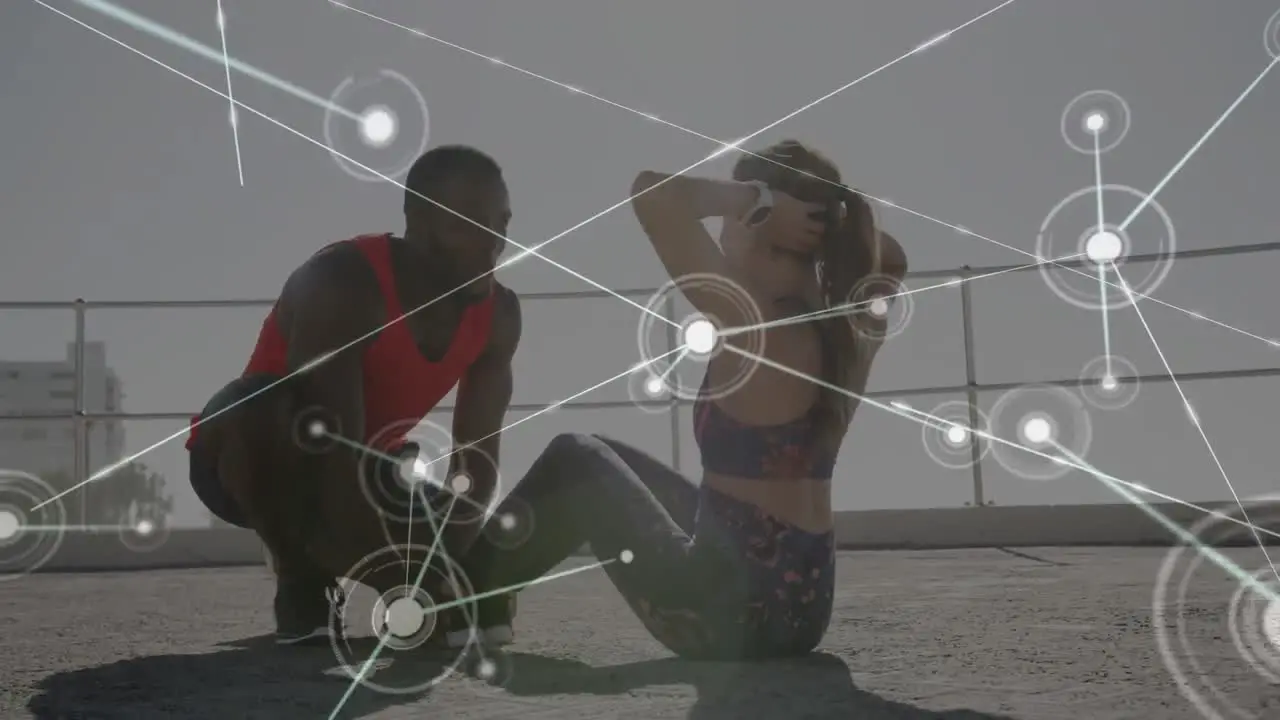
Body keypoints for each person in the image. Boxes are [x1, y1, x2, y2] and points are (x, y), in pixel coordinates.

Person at [456, 139, 907, 659]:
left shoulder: (753, 324)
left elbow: (653, 195)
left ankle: (461, 603)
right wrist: (828, 216)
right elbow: (891, 255)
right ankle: (493, 593)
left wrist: (753, 198)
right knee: (607, 453)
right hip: (803, 614)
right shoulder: (851, 330)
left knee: (573, 459)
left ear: (759, 222)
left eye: (733, 217)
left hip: (725, 618)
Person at [185, 145, 523, 647]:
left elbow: (475, 469)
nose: (491, 243)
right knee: (258, 404)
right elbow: (332, 456)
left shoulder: (498, 314)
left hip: (371, 468)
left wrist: (451, 563)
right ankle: (301, 579)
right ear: (417, 221)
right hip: (254, 457)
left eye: (500, 222)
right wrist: (409, 586)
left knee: (483, 561)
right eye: (466, 224)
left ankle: (348, 561)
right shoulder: (342, 281)